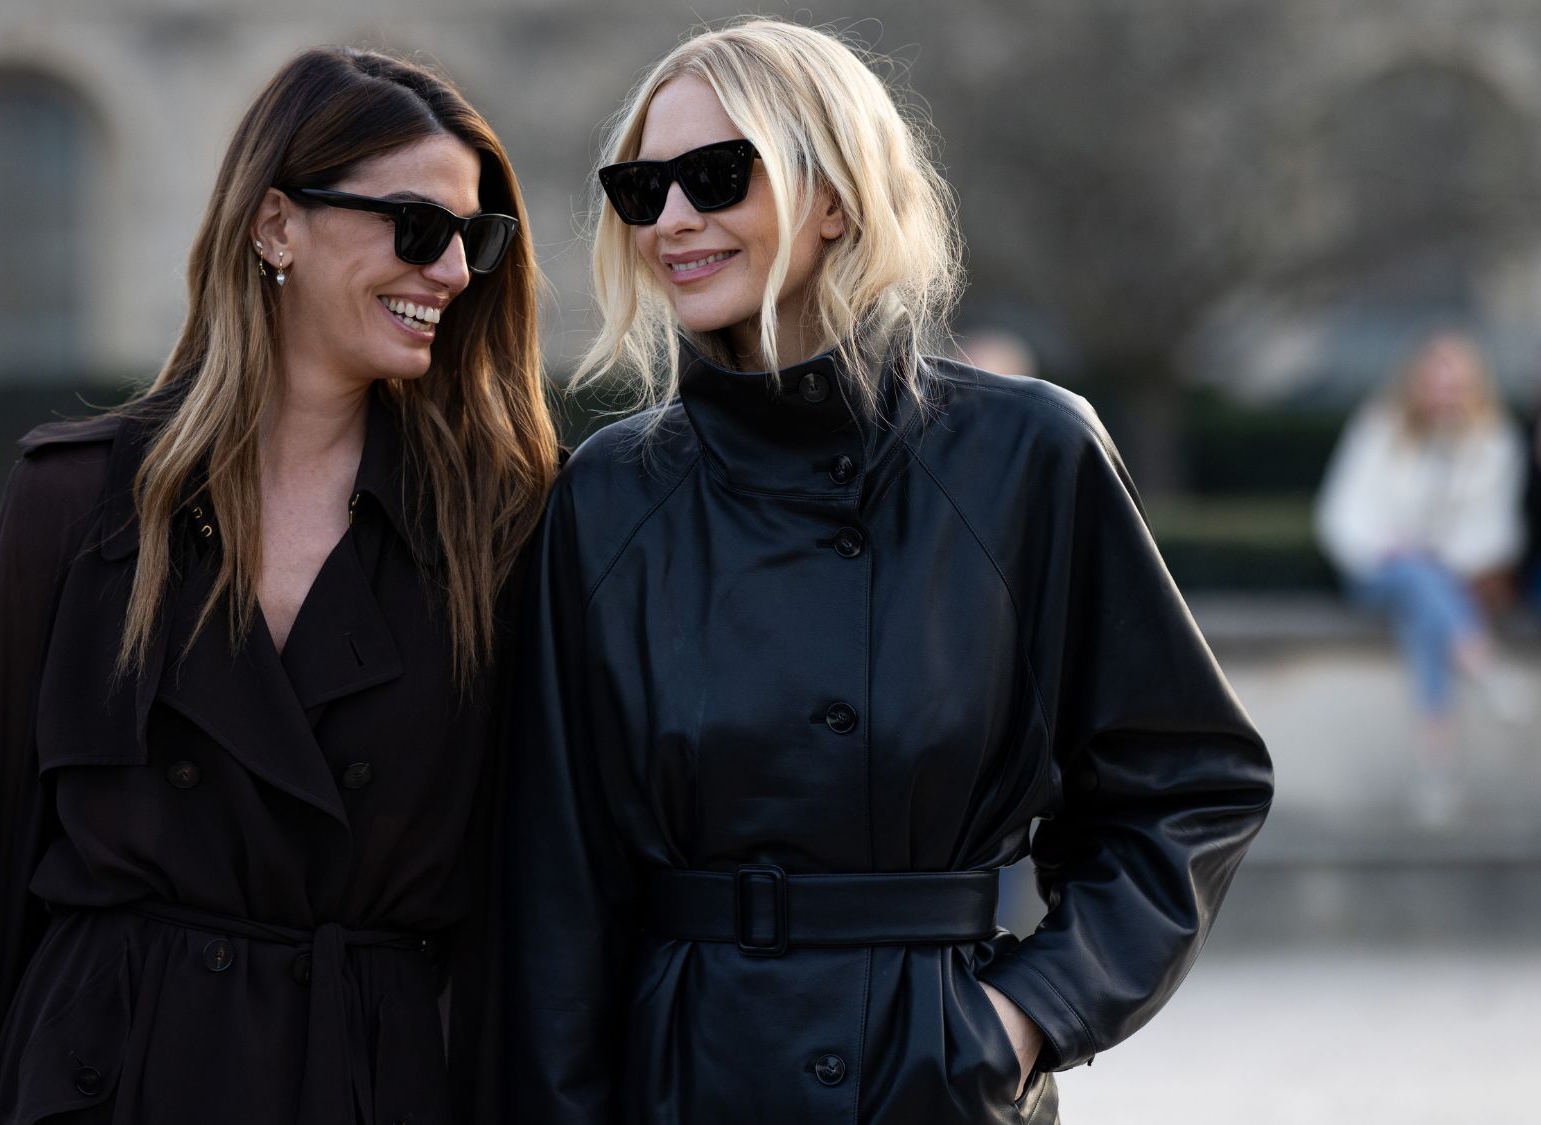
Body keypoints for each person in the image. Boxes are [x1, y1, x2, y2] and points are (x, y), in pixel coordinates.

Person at [501, 20, 1274, 1124]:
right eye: (640, 188)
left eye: (716, 176)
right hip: (685, 1079)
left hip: (937, 1076)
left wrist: (1021, 1017)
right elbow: (555, 886)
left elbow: (1188, 785)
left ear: (834, 196)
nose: (670, 219)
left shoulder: (1026, 456)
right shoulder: (608, 494)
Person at [0, 47, 555, 1125]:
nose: (451, 271)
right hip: (106, 1085)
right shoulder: (75, 502)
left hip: (365, 1083)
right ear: (274, 225)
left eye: (473, 238)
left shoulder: (505, 521)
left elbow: (524, 911)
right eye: (416, 227)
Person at [1315, 330, 1528, 818]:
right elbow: (1343, 512)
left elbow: (1495, 530)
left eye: (1455, 385)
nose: (1444, 395)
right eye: (1436, 383)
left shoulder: (1494, 442)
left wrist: (1438, 556)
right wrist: (1389, 549)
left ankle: (1437, 773)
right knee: (1416, 576)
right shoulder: (1379, 428)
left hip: (1446, 580)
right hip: (1377, 571)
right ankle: (1481, 664)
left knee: (1426, 612)